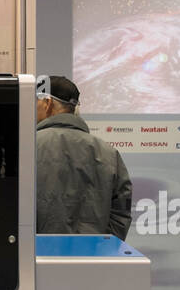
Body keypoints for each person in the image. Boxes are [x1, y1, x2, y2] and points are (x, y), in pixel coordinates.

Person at [35, 75, 132, 238]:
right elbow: (121, 211)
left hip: (38, 256)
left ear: (47, 103)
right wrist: (102, 246)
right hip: (91, 256)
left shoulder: (28, 147)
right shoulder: (107, 152)